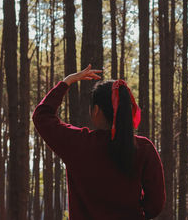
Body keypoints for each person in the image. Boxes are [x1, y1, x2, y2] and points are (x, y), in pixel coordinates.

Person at [32, 64, 165, 220]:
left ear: (96, 110)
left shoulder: (78, 143)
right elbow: (155, 204)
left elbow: (42, 116)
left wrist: (66, 82)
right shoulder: (144, 148)